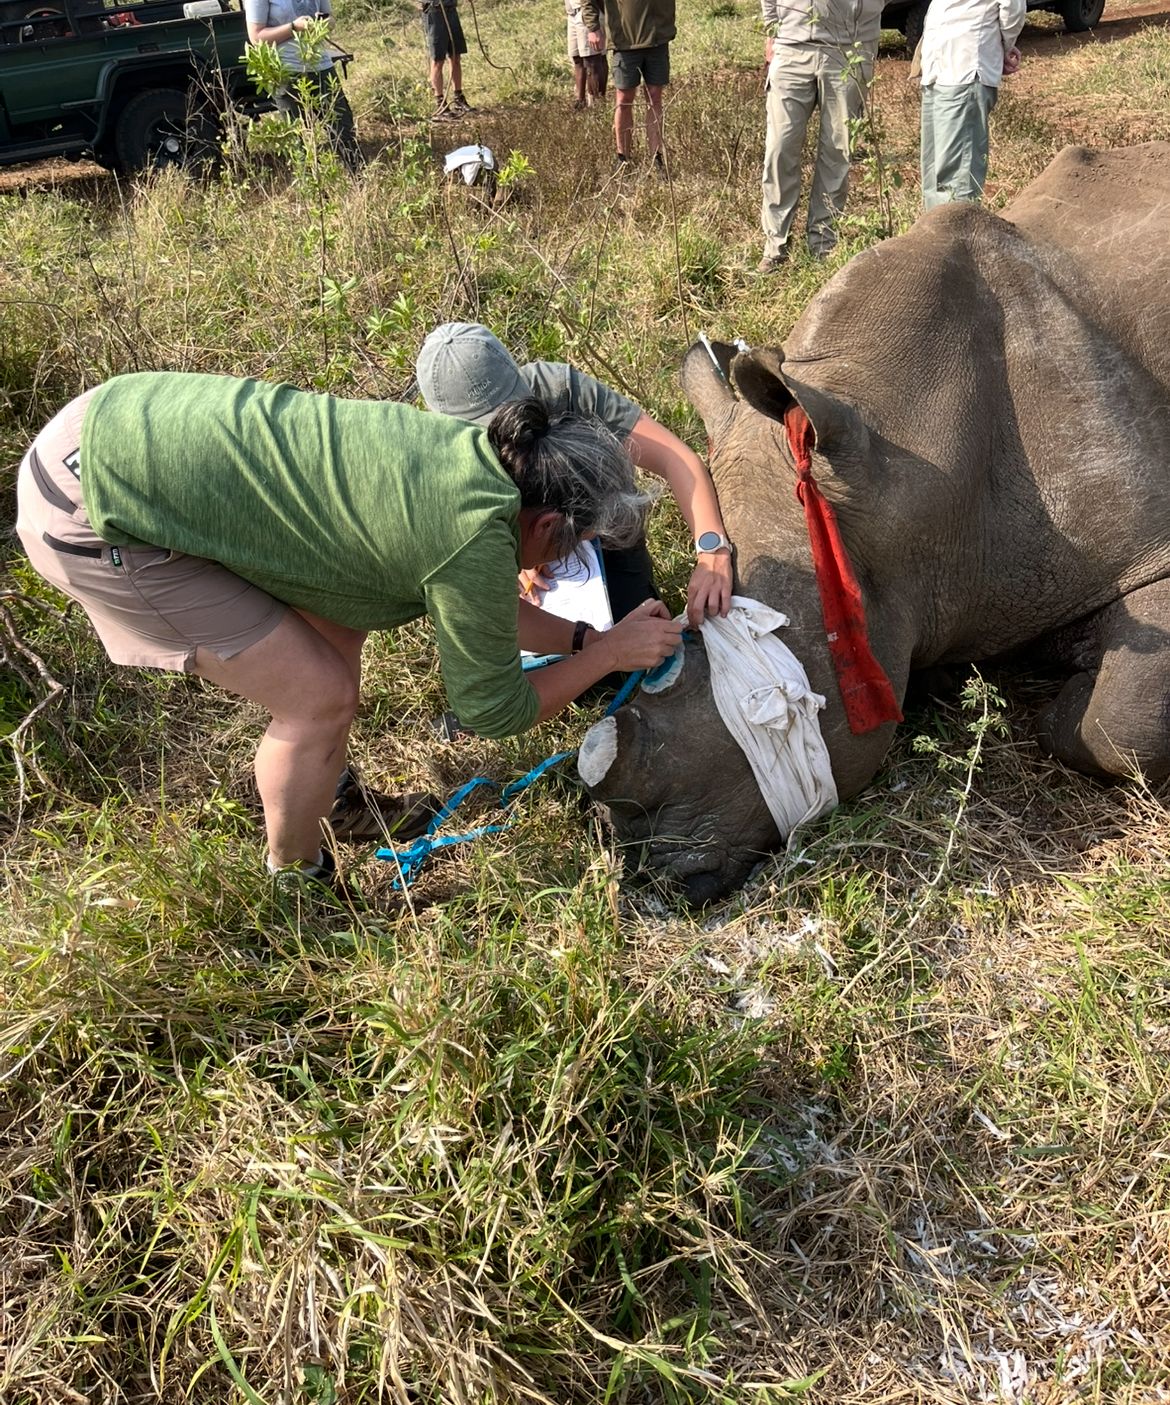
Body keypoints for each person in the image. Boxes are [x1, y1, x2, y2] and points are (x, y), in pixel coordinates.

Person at [15, 375, 683, 888]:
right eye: (573, 546)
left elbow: (481, 610)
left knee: (339, 627)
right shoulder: (473, 536)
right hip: (88, 509)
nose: (565, 562)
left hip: (112, 418)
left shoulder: (472, 461)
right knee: (319, 697)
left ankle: (323, 796)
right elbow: (493, 707)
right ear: (544, 524)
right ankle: (295, 881)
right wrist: (612, 655)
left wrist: (588, 643)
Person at [416, 322, 734, 630]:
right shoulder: (433, 462)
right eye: (486, 436)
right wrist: (513, 558)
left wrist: (712, 551)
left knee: (640, 630)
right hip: (526, 564)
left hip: (598, 530)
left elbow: (673, 456)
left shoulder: (558, 390)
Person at [757, 0, 884, 272]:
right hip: (791, 45)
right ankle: (775, 245)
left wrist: (861, 15)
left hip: (849, 47)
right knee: (779, 147)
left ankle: (822, 244)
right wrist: (774, 29)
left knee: (838, 151)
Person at [919, 0, 1025, 209]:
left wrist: (1002, 47)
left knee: (957, 179)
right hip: (937, 71)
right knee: (933, 174)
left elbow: (1013, 9)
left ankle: (957, 239)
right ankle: (936, 239)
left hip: (965, 69)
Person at [243, 0, 361, 169]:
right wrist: (294, 27)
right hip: (286, 72)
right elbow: (256, 37)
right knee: (298, 140)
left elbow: (330, 18)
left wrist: (326, 23)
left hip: (320, 65)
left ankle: (360, 182)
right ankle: (314, 193)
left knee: (343, 128)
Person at [579, 0, 674, 172]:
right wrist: (593, 27)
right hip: (625, 40)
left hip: (657, 37)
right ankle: (622, 158)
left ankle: (657, 158)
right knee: (624, 99)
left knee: (655, 98)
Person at [421, 0, 474, 123]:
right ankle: (440, 105)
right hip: (434, 12)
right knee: (438, 61)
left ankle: (458, 99)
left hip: (451, 11)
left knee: (455, 56)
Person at [566, 0, 608, 109]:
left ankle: (597, 105)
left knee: (592, 59)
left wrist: (593, 25)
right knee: (577, 57)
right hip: (572, 11)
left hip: (588, 11)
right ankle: (580, 102)